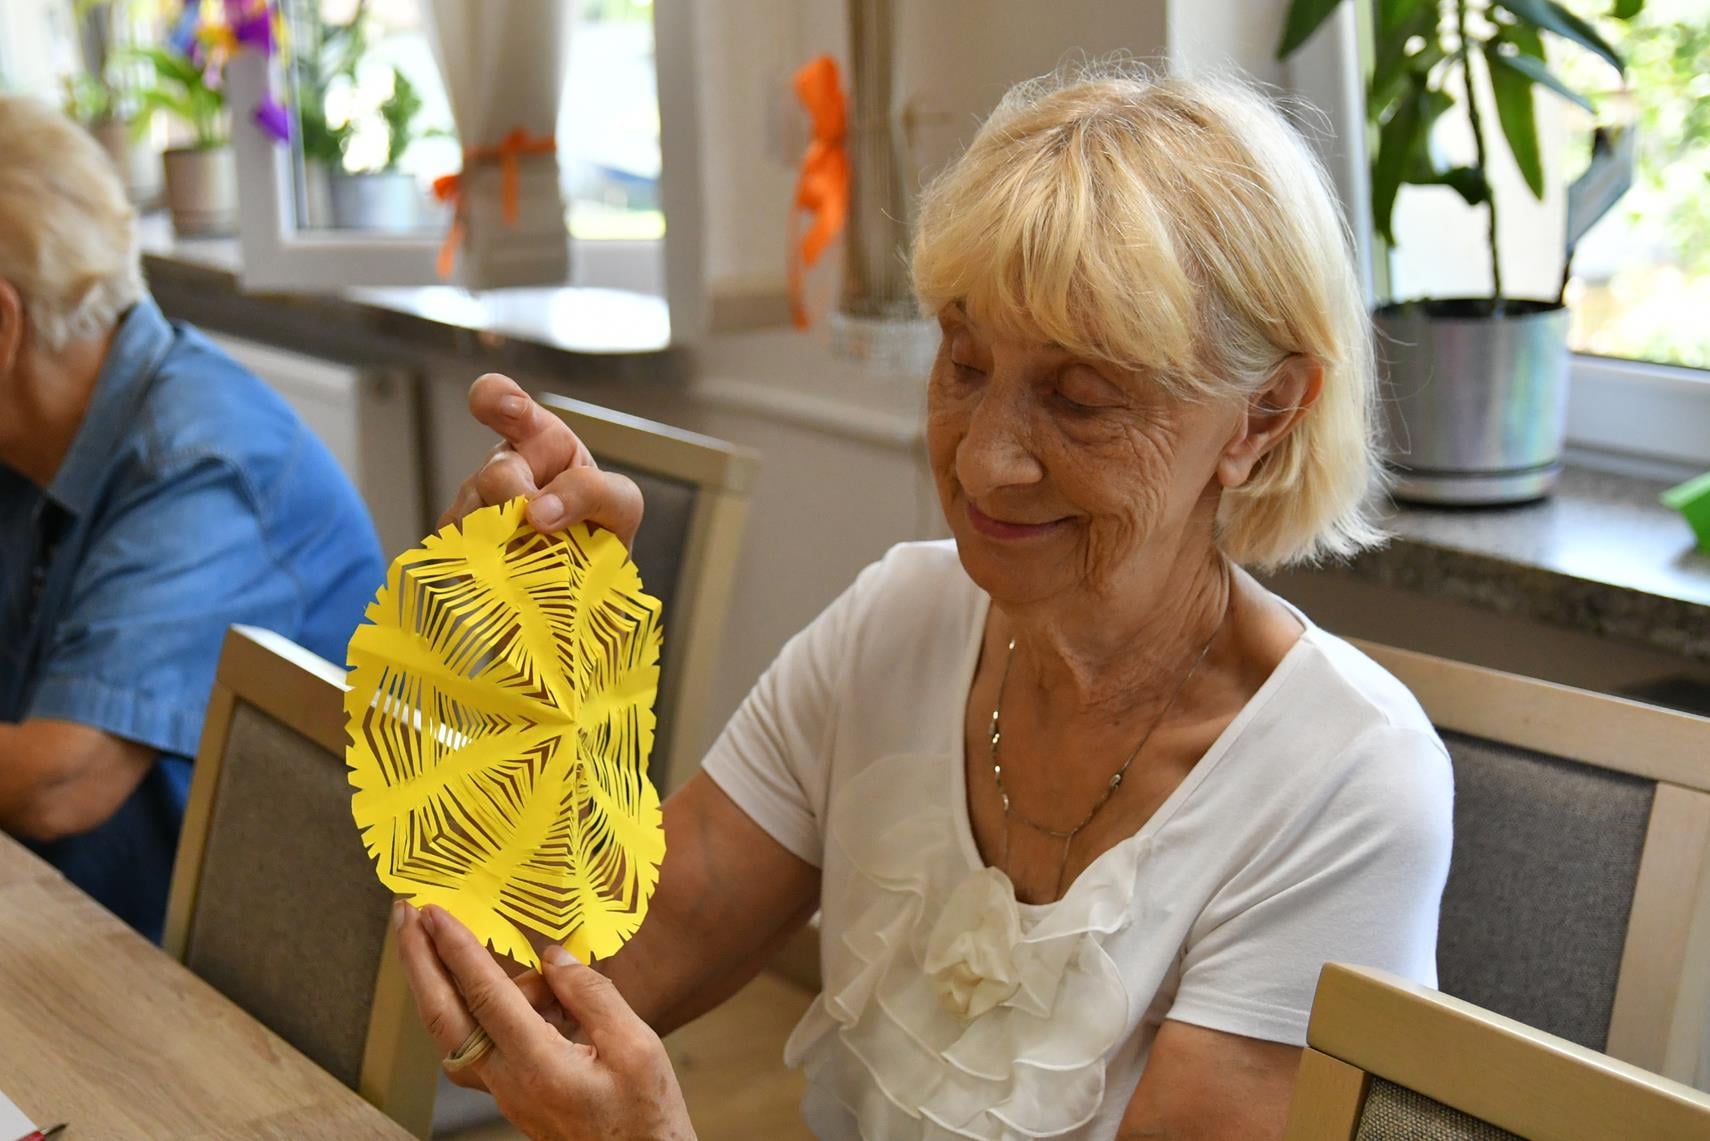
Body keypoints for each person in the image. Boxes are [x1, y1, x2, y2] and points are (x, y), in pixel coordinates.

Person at [396, 66, 1453, 1140]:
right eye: (964, 361)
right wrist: (530, 669)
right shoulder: (894, 623)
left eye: (1079, 398)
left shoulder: (1345, 782)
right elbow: (552, 984)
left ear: (1263, 416)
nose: (986, 460)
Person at [0, 96, 385, 940]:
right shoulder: (35, 430)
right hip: (83, 913)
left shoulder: (199, 463)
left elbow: (59, 781)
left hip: (233, 969)